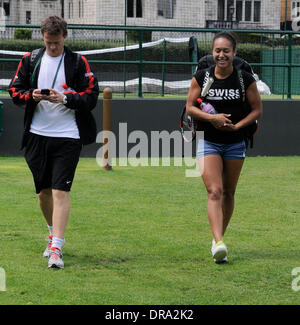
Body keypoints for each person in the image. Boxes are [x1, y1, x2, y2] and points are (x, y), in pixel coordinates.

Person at [9, 16, 99, 269]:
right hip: (36, 135)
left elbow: (91, 95)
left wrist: (66, 98)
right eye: (49, 43)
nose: (53, 48)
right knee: (43, 192)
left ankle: (57, 247)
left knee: (61, 190)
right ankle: (51, 233)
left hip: (68, 136)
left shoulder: (78, 62)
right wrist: (32, 96)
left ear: (65, 37)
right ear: (43, 38)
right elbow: (14, 91)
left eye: (57, 43)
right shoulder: (30, 60)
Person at [185, 31, 262, 263]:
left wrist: (238, 126)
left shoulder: (244, 79)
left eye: (226, 51)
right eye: (217, 51)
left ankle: (217, 239)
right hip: (208, 140)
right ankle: (218, 242)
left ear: (234, 53)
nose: (221, 55)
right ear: (212, 52)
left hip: (235, 143)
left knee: (229, 192)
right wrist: (213, 119)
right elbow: (190, 107)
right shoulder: (202, 76)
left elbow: (257, 110)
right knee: (214, 191)